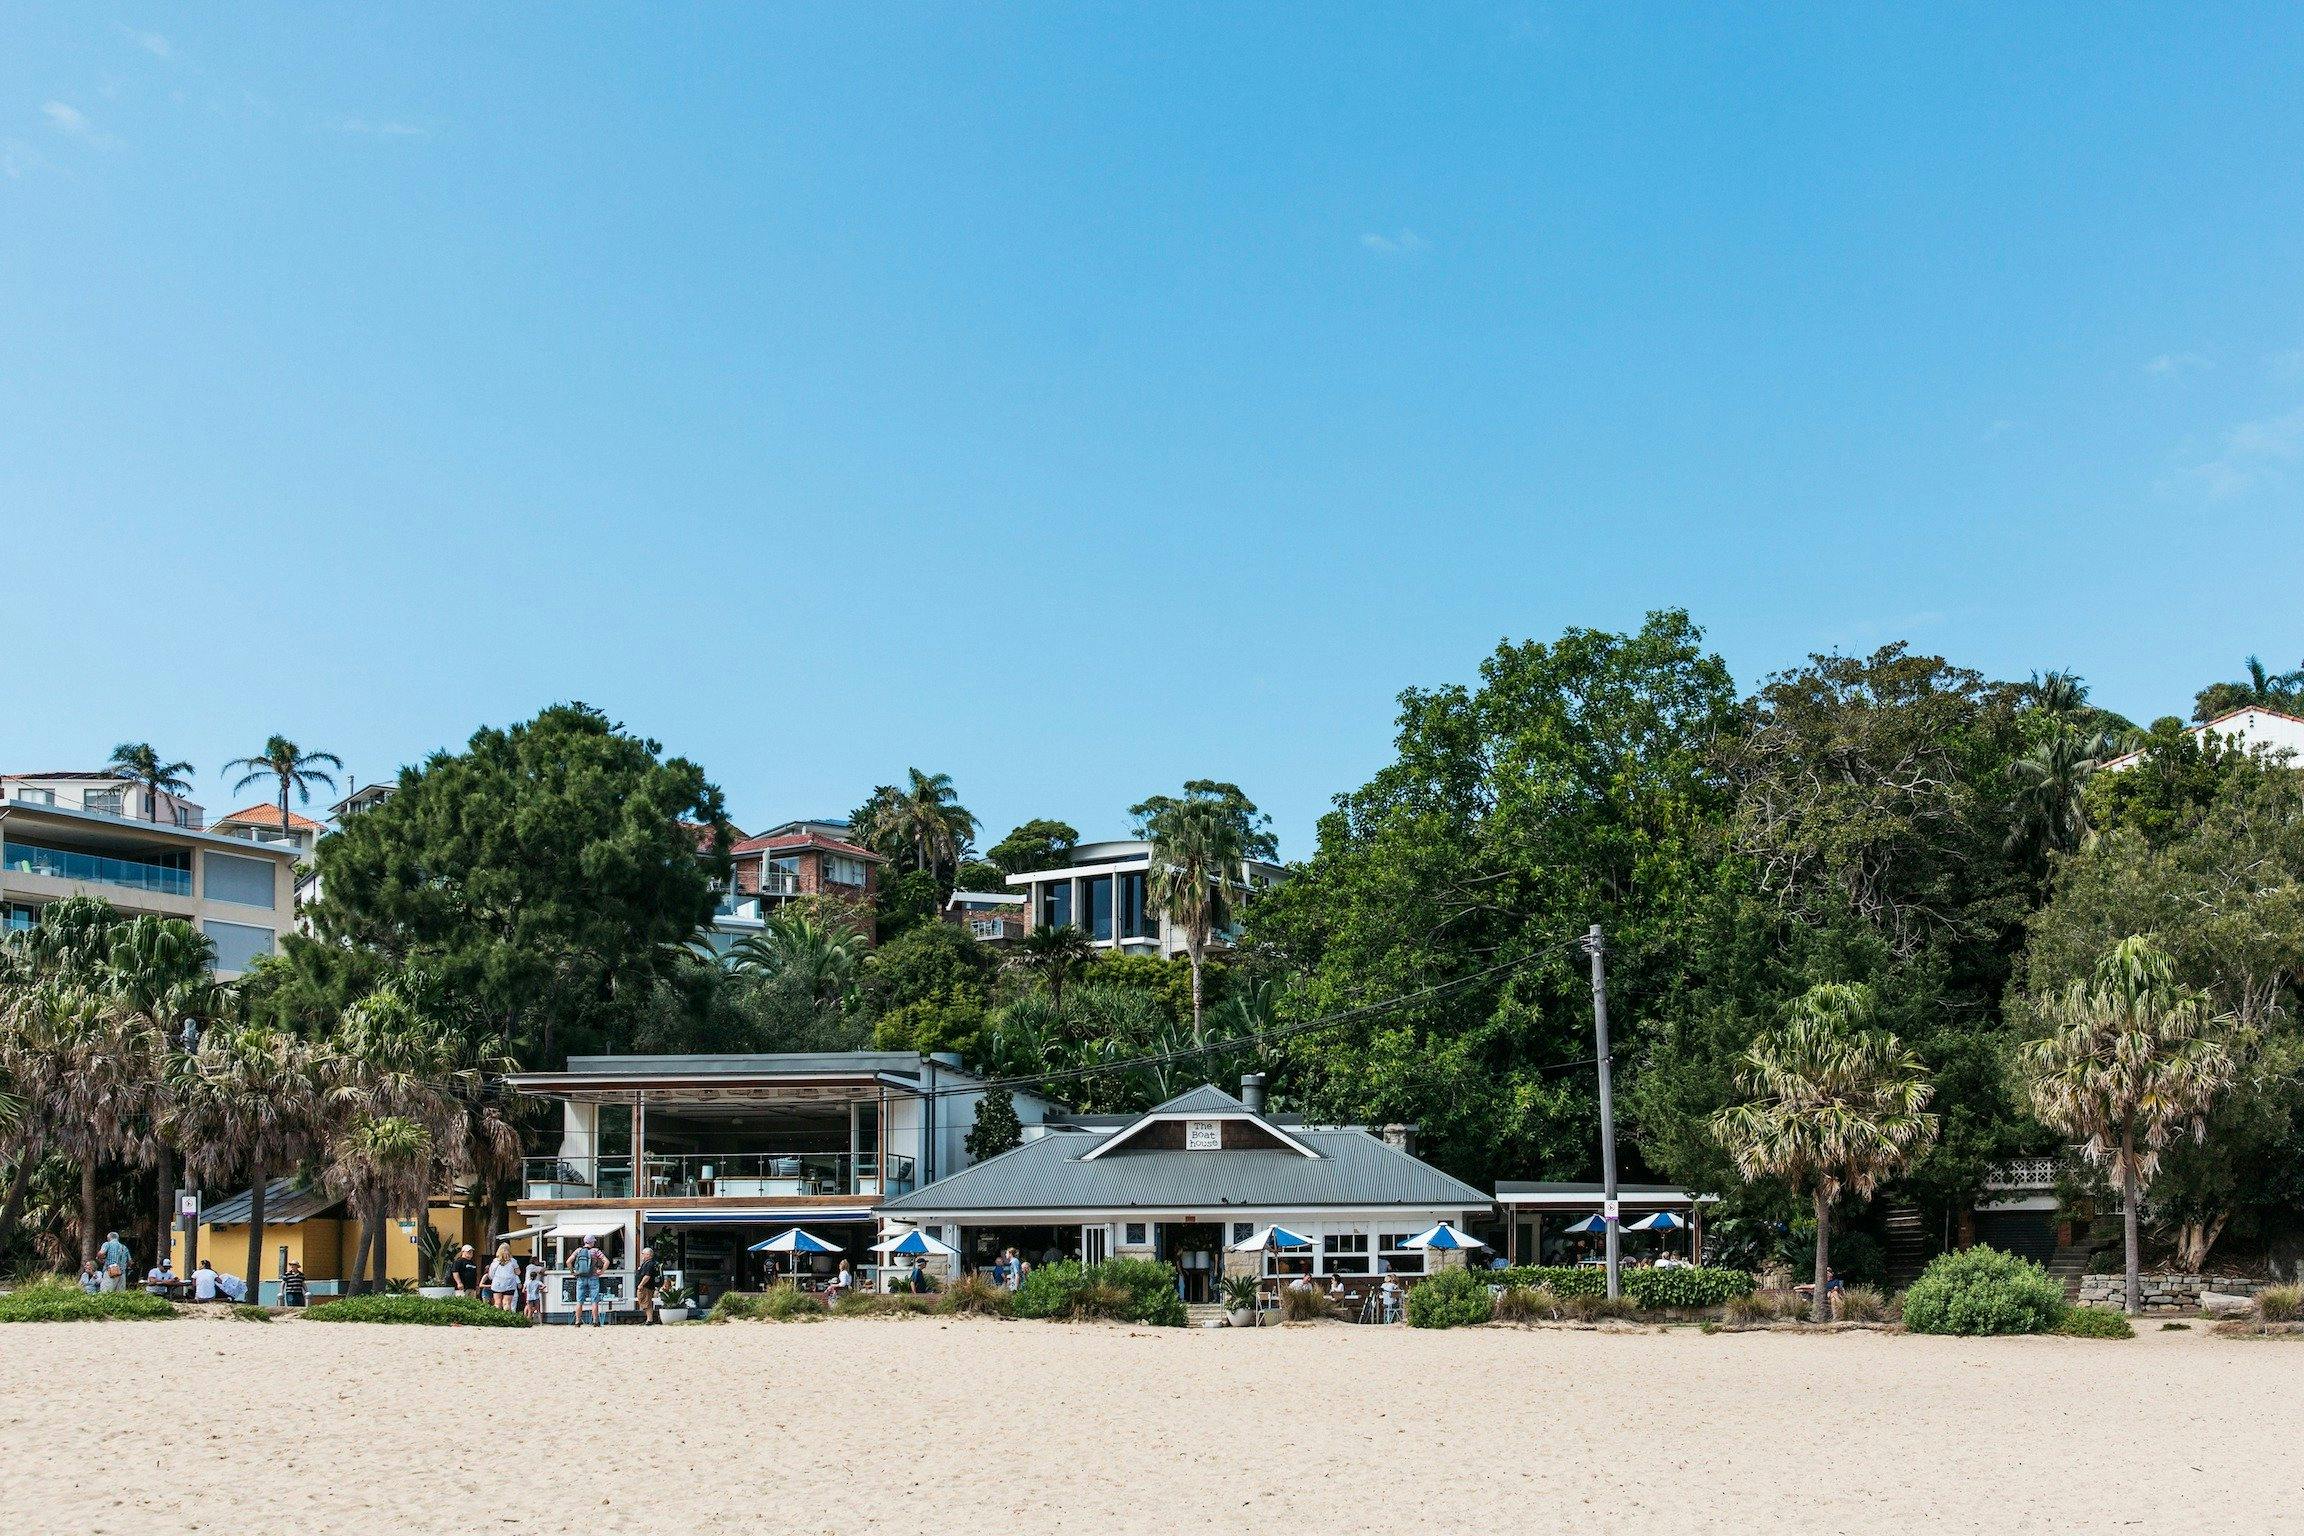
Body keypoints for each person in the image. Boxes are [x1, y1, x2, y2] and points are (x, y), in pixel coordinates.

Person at [569, 1234, 606, 1326]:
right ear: (592, 1242)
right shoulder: (595, 1251)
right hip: (593, 1277)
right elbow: (607, 1261)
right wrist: (601, 1271)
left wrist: (572, 1272)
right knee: (594, 1300)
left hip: (581, 1278)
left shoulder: (578, 1250)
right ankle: (595, 1321)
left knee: (579, 1301)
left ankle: (577, 1321)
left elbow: (568, 1261)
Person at [488, 1242, 523, 1313]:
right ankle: (507, 1319)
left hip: (497, 1284)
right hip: (509, 1284)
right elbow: (518, 1272)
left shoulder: (495, 1262)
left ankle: (497, 1319)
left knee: (497, 1303)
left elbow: (491, 1274)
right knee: (507, 1303)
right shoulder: (513, 1261)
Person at [634, 1245, 661, 1325]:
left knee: (646, 1303)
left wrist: (641, 1284)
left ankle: (650, 1320)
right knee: (645, 1302)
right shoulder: (646, 1263)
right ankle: (648, 1319)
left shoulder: (649, 1264)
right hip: (646, 1286)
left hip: (646, 1286)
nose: (641, 1255)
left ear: (648, 1255)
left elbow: (647, 1276)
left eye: (643, 1253)